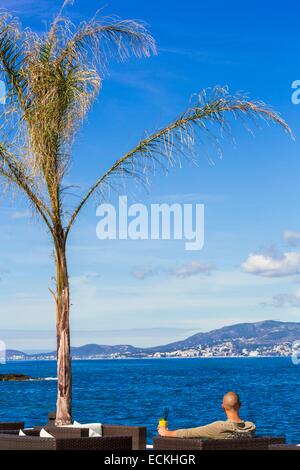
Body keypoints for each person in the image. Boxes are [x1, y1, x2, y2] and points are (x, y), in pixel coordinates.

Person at [157, 391, 256, 439]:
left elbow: (189, 433)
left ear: (223, 407)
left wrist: (166, 433)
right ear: (240, 405)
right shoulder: (251, 427)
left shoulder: (219, 427)